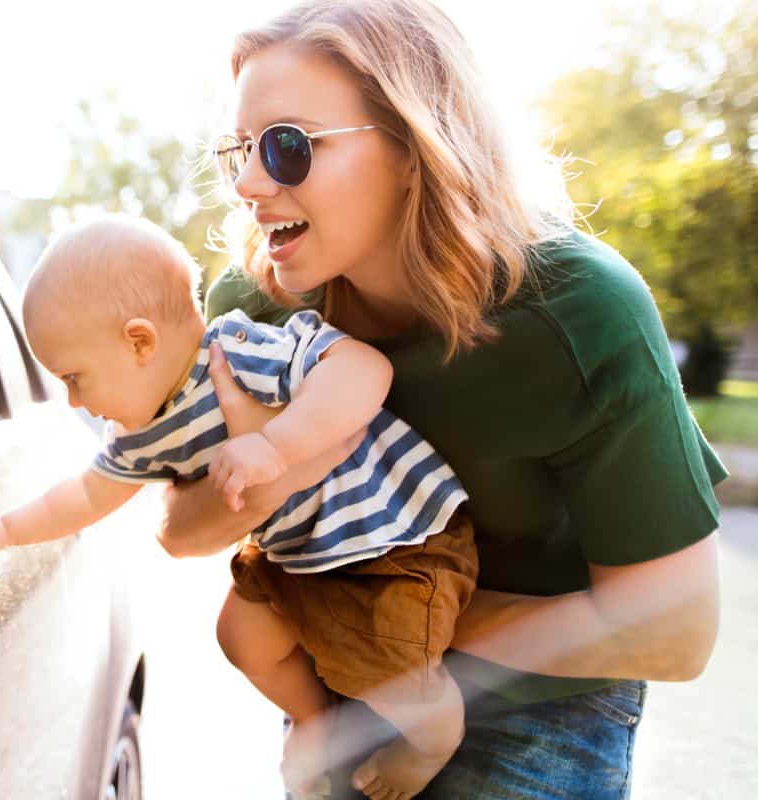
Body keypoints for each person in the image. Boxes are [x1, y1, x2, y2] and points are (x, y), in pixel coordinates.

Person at [155, 0, 726, 798]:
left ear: (414, 146)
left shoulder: (579, 311)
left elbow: (676, 632)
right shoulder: (257, 310)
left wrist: (402, 622)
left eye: (287, 147)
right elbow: (182, 533)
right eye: (239, 151)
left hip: (540, 713)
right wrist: (268, 473)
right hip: (346, 693)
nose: (249, 183)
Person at [0, 214, 479, 798]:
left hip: (393, 535)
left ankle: (434, 739)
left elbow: (364, 370)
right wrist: (2, 528)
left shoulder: (238, 353)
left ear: (139, 341)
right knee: (241, 637)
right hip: (302, 558)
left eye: (75, 377)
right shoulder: (139, 434)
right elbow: (86, 494)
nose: (76, 401)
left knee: (390, 665)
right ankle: (313, 718)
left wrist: (276, 445)